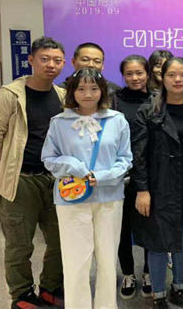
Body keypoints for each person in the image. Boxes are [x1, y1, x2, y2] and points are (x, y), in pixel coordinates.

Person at [0, 37, 66, 308]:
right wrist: (6, 163)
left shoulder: (62, 96)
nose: (51, 65)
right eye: (44, 59)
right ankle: (21, 295)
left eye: (57, 60)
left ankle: (50, 286)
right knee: (19, 244)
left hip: (54, 180)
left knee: (59, 240)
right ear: (31, 60)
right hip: (21, 181)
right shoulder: (10, 95)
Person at [42, 68, 132, 309]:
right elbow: (48, 158)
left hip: (109, 198)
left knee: (107, 259)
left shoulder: (117, 120)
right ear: (72, 92)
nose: (88, 94)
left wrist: (102, 177)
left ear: (102, 91)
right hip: (71, 199)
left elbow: (125, 159)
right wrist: (75, 167)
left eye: (94, 88)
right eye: (81, 89)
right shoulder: (59, 122)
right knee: (75, 262)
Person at [132, 57, 183, 309]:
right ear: (162, 77)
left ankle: (179, 288)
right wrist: (142, 190)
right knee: (158, 242)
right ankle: (158, 295)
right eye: (171, 75)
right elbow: (138, 155)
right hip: (159, 187)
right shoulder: (149, 110)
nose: (177, 80)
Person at [110, 55, 152, 299]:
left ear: (147, 73)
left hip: (150, 174)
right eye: (129, 74)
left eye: (139, 73)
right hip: (121, 174)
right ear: (123, 76)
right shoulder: (114, 100)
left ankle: (148, 272)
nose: (135, 78)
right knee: (122, 227)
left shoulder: (158, 99)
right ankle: (128, 273)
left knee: (149, 226)